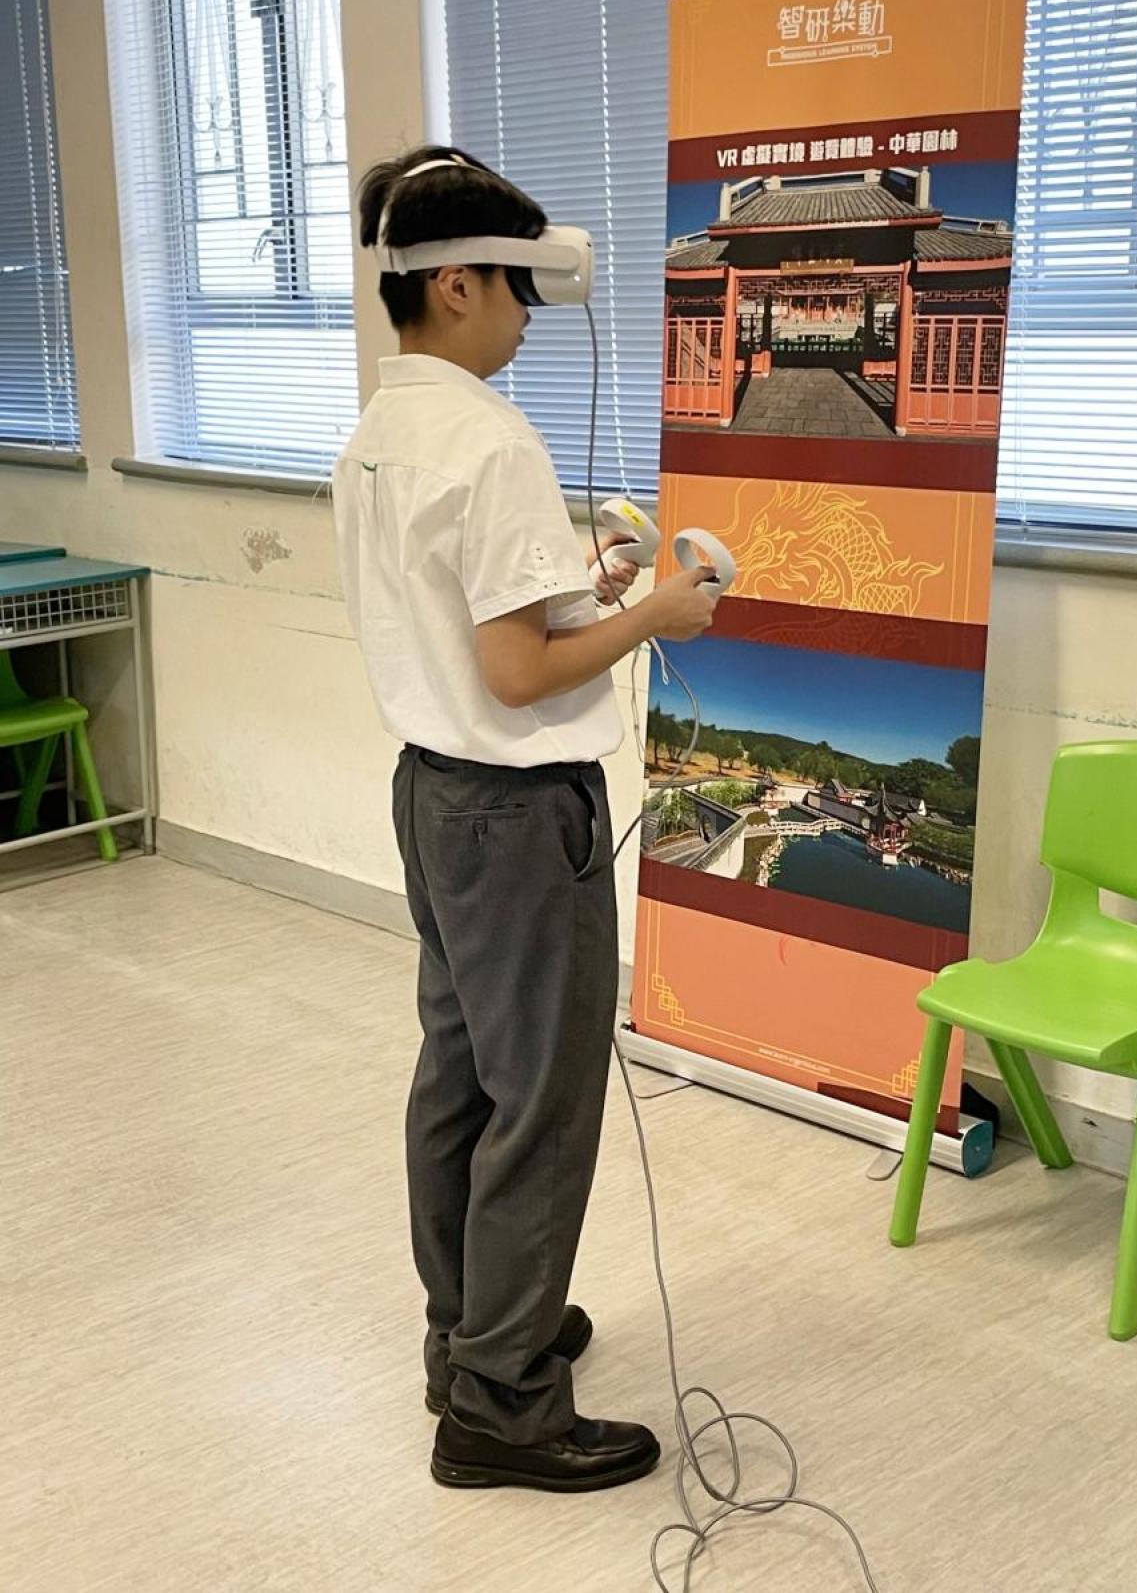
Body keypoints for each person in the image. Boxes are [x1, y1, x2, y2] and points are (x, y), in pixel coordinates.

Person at [331, 144, 718, 1494]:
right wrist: (656, 612)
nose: (529, 317)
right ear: (456, 286)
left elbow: (478, 621)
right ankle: (502, 1402)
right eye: (517, 289)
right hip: (512, 814)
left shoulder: (381, 431)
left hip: (432, 799)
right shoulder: (491, 442)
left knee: (460, 1076)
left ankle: (472, 1334)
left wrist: (586, 587)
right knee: (541, 1100)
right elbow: (515, 674)